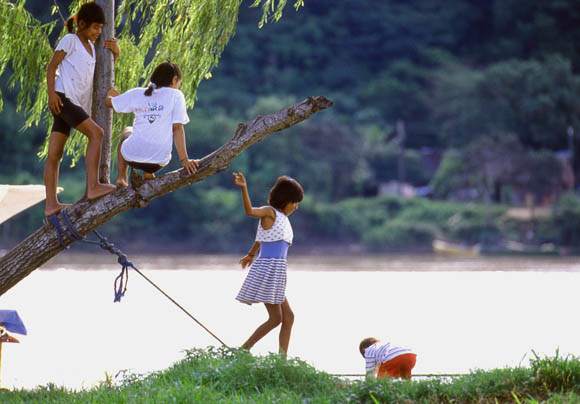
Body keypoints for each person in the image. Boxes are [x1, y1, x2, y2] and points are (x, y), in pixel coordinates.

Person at [44, 1, 119, 216]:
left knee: (55, 153)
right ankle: (93, 186)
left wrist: (116, 54)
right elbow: (51, 67)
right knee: (97, 133)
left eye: (101, 28)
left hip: (73, 103)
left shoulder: (94, 49)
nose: (98, 32)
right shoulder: (71, 40)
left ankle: (51, 205)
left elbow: (102, 75)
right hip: (62, 98)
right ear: (82, 24)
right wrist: (51, 94)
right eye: (95, 27)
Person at [233, 172, 303, 355]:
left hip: (277, 272)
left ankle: (281, 360)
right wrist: (243, 188)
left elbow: (263, 237)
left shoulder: (283, 219)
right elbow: (250, 211)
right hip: (269, 270)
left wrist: (250, 254)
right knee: (277, 318)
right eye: (294, 202)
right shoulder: (270, 212)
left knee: (287, 317)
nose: (296, 207)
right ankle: (244, 350)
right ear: (284, 199)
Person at [105, 61, 198, 185]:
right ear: (174, 79)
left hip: (131, 157)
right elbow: (177, 128)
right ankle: (148, 173)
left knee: (127, 130)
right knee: (151, 138)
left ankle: (122, 177)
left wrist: (110, 94)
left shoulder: (137, 93)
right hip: (158, 161)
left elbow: (109, 103)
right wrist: (185, 160)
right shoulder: (176, 95)